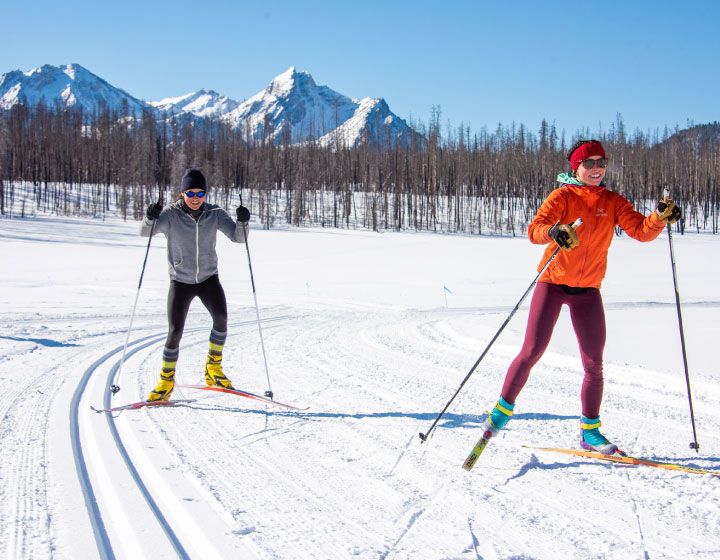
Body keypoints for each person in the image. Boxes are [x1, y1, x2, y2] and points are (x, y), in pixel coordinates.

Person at [481, 139, 681, 454]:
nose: (597, 168)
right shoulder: (563, 196)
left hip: (588, 290)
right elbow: (535, 229)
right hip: (553, 282)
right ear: (576, 167)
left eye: (601, 162)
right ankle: (500, 412)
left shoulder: (613, 201)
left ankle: (590, 432)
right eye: (589, 163)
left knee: (593, 363)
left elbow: (641, 231)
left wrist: (659, 216)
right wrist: (555, 231)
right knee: (532, 350)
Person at [141, 168, 251, 402]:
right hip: (180, 281)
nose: (195, 197)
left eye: (200, 193)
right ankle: (166, 381)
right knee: (175, 331)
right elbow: (145, 233)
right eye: (190, 192)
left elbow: (239, 238)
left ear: (205, 195)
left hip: (208, 279)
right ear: (182, 193)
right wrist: (150, 217)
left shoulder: (215, 214)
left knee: (221, 319)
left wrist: (243, 222)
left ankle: (213, 369)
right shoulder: (170, 215)